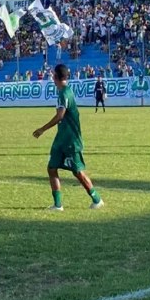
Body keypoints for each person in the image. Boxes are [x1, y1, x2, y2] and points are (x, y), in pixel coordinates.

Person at [32, 64, 104, 211]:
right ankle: (58, 205)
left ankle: (97, 199)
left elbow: (60, 116)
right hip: (61, 139)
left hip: (71, 140)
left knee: (77, 172)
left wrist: (42, 129)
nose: (52, 77)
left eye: (53, 75)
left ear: (56, 77)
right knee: (52, 168)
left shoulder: (64, 94)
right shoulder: (64, 92)